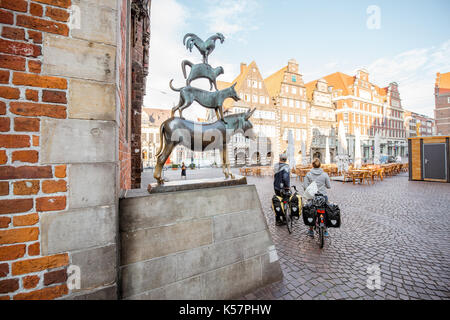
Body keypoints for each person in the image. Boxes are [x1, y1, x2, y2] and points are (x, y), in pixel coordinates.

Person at [303, 158, 331, 237]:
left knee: (311, 211)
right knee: (325, 211)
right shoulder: (324, 174)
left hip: (312, 196)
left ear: (312, 165)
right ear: (320, 165)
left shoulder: (308, 174)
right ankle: (325, 230)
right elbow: (329, 186)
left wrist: (310, 189)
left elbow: (305, 186)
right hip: (323, 196)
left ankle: (311, 230)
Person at [273, 154, 290, 225]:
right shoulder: (286, 167)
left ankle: (277, 220)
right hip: (283, 187)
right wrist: (287, 186)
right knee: (284, 201)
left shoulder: (276, 166)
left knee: (277, 202)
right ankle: (284, 219)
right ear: (285, 160)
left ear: (279, 159)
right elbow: (285, 178)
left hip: (276, 186)